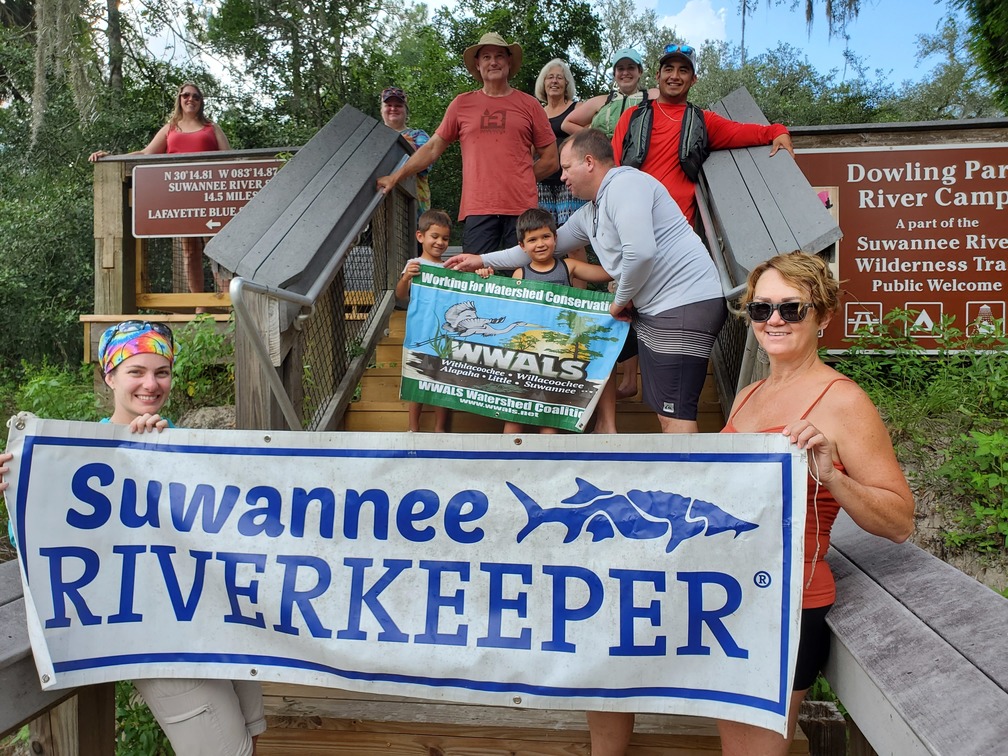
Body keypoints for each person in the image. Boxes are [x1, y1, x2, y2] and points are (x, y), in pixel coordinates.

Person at [1, 321, 266, 756]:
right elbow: (38, 537)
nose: (151, 383)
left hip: (222, 619)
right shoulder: (71, 457)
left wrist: (167, 453)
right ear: (110, 376)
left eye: (161, 372)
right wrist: (18, 490)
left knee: (252, 734)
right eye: (136, 371)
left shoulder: (194, 444)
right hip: (158, 635)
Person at [446, 129, 727, 437]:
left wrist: (620, 300)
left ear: (589, 162)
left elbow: (642, 252)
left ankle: (686, 483)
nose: (561, 176)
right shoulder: (590, 211)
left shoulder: (625, 184)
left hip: (683, 303)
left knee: (675, 416)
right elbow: (535, 250)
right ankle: (606, 426)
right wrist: (482, 260)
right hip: (658, 309)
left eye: (566, 167)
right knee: (643, 391)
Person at [376, 32, 559, 256]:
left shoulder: (529, 105)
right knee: (474, 277)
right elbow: (432, 148)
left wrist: (521, 180)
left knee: (521, 279)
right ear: (478, 64)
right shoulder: (462, 104)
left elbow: (551, 159)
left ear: (509, 62)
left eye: (500, 56)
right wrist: (395, 177)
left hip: (522, 209)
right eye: (486, 57)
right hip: (478, 206)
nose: (493, 62)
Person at [611, 43, 794, 228]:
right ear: (658, 75)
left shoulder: (704, 120)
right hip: (632, 221)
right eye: (668, 69)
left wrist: (778, 131)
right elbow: (612, 168)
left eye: (683, 71)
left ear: (693, 79)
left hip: (676, 230)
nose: (674, 76)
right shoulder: (632, 115)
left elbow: (743, 132)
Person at [89, 83, 231, 301]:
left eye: (195, 96)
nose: (190, 99)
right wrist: (110, 157)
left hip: (208, 195)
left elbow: (229, 158)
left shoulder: (212, 127)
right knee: (190, 251)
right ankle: (200, 304)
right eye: (185, 95)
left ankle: (226, 299)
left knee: (216, 249)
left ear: (201, 101)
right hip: (180, 196)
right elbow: (146, 153)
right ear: (179, 99)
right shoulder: (170, 128)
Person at [481, 208, 612, 435]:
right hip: (528, 356)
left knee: (549, 419)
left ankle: (547, 465)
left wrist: (625, 254)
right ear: (522, 246)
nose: (540, 244)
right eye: (532, 240)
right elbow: (506, 308)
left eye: (545, 237)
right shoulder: (519, 275)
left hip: (559, 357)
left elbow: (607, 273)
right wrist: (487, 279)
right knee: (514, 416)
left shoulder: (568, 266)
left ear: (555, 238)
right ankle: (508, 465)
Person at [396, 209, 454, 432]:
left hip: (443, 335)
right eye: (435, 236)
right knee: (415, 379)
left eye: (445, 238)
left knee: (442, 380)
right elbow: (401, 295)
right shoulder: (414, 264)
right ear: (420, 236)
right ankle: (413, 428)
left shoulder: (450, 268)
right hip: (418, 332)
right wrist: (406, 277)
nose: (440, 242)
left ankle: (440, 429)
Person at [561, 48, 658, 138]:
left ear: (640, 71)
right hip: (605, 155)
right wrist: (594, 139)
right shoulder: (601, 101)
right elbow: (567, 123)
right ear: (614, 74)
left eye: (631, 68)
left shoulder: (651, 96)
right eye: (620, 69)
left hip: (640, 155)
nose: (625, 73)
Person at [380, 86, 433, 217]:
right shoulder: (373, 137)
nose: (393, 109)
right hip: (381, 208)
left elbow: (426, 163)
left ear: (406, 110)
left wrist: (408, 146)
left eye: (398, 105)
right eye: (389, 105)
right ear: (381, 110)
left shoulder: (418, 135)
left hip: (414, 209)